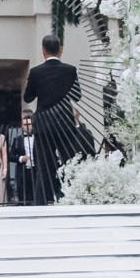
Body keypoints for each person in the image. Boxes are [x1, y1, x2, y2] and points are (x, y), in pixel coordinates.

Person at [23, 35, 89, 203]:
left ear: (43, 51)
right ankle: (72, 199)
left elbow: (28, 98)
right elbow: (77, 96)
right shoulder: (70, 70)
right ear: (60, 50)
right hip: (65, 123)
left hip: (44, 124)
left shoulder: (36, 72)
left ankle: (40, 205)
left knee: (44, 168)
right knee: (69, 164)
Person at [8, 112, 42, 205]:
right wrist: (20, 158)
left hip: (37, 171)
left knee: (38, 196)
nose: (27, 126)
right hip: (23, 172)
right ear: (22, 126)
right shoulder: (17, 139)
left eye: (29, 124)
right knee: (23, 197)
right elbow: (10, 156)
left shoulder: (38, 138)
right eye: (25, 125)